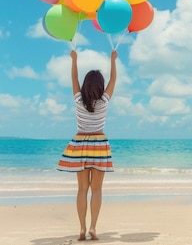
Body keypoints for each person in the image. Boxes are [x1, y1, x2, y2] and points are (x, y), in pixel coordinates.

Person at [57, 49, 118, 241]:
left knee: (82, 189)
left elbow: (73, 78)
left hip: (80, 143)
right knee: (97, 189)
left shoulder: (78, 100)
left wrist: (74, 60)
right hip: (99, 144)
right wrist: (113, 60)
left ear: (85, 85)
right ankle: (93, 227)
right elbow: (113, 81)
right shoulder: (104, 102)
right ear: (100, 86)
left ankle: (82, 228)